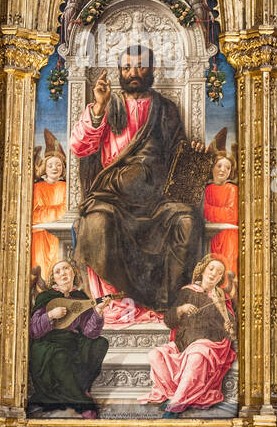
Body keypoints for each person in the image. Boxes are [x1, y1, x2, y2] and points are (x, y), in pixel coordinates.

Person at [70, 44, 205, 316]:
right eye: (126, 67)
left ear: (152, 69)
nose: (133, 72)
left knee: (188, 221)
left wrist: (193, 156)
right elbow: (79, 146)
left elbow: (176, 156)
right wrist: (98, 106)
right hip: (112, 197)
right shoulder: (106, 105)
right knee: (97, 223)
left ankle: (170, 301)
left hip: (156, 200)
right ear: (119, 71)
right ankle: (117, 304)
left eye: (140, 66)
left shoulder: (165, 109)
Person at [143, 256, 237, 415]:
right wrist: (181, 309)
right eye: (211, 269)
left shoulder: (221, 297)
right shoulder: (187, 291)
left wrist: (228, 323)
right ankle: (177, 392)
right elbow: (169, 320)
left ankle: (175, 405)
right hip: (182, 344)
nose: (214, 273)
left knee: (197, 356)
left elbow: (230, 328)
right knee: (154, 354)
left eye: (219, 272)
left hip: (207, 345)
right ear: (204, 270)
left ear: (221, 278)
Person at [28, 258, 109, 417]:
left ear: (73, 273)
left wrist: (98, 311)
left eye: (66, 269)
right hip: (48, 343)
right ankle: (84, 404)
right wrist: (51, 315)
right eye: (57, 271)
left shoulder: (80, 298)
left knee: (100, 343)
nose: (62, 273)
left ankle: (80, 387)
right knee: (60, 355)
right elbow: (33, 330)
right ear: (54, 279)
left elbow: (90, 332)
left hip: (72, 341)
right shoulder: (46, 298)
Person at [31, 133, 68, 287]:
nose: (55, 168)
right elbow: (35, 215)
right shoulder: (37, 188)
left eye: (58, 164)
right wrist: (58, 211)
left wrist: (54, 212)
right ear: (44, 167)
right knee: (41, 275)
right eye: (51, 165)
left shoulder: (65, 187)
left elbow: (69, 210)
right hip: (41, 238)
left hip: (59, 237)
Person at [203, 131, 238, 278]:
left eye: (227, 167)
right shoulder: (207, 189)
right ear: (212, 168)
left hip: (228, 238)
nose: (223, 170)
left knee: (227, 273)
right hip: (211, 237)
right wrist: (214, 212)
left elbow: (230, 215)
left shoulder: (232, 189)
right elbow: (202, 209)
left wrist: (209, 211)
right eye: (219, 166)